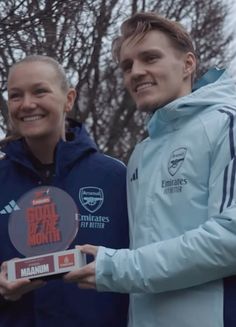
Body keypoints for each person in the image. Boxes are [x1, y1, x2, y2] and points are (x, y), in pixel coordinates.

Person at [64, 12, 236, 327]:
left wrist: (118, 269)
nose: (136, 72)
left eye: (150, 58)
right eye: (127, 65)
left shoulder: (226, 123)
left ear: (187, 64)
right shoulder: (142, 153)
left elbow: (230, 239)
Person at [0, 55, 129, 327]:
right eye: (15, 95)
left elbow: (142, 266)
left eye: (40, 91)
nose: (27, 104)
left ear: (68, 99)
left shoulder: (116, 177)